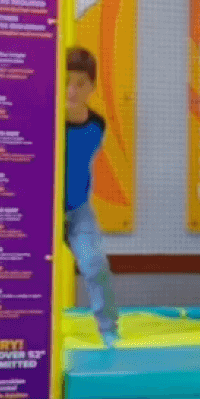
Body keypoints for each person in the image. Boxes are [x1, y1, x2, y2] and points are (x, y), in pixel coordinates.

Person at [64, 47, 119, 347]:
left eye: (81, 83)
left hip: (77, 208)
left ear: (92, 87)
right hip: (41, 209)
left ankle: (109, 330)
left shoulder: (97, 125)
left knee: (95, 264)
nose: (72, 89)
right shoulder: (44, 119)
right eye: (66, 81)